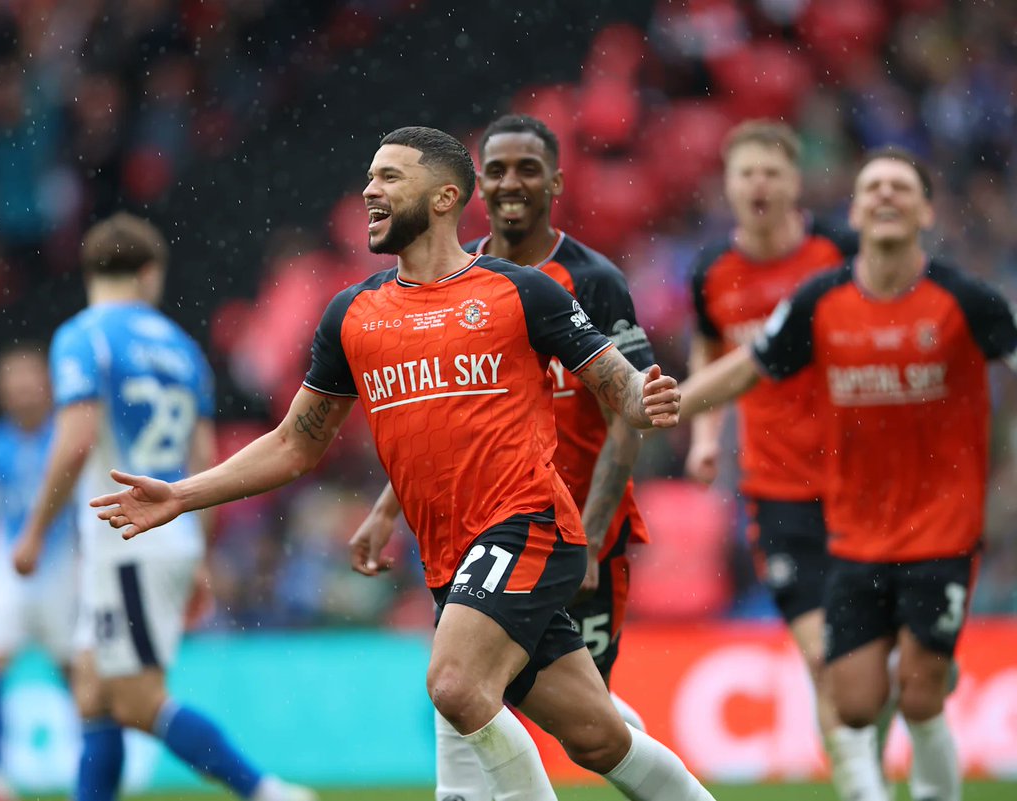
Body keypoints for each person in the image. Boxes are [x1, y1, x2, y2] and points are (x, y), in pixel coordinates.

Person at [91, 127, 712, 801]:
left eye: (389, 177)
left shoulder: (520, 292)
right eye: (369, 177)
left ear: (446, 196)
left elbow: (616, 381)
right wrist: (184, 494)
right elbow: (295, 442)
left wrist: (646, 397)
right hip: (448, 554)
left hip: (526, 526)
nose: (369, 189)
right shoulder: (352, 314)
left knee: (453, 685)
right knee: (599, 737)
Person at [679, 146, 1017, 801]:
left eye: (901, 186)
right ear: (856, 211)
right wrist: (671, 402)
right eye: (873, 187)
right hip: (853, 527)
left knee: (919, 697)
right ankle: (904, 696)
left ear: (925, 209)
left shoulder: (965, 297)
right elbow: (748, 364)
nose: (886, 195)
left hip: (942, 524)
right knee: (857, 701)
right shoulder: (821, 300)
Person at [350, 114, 650, 801]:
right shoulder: (458, 279)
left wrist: (596, 527)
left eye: (528, 168)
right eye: (499, 170)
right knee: (477, 693)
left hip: (562, 526)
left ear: (557, 181)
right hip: (472, 524)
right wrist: (386, 508)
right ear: (474, 185)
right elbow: (442, 412)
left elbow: (627, 410)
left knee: (587, 720)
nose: (512, 183)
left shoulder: (590, 280)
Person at [10, 213, 315, 801]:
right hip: (165, 532)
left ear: (90, 270)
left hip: (125, 537)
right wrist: (198, 551)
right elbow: (204, 460)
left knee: (136, 700)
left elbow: (75, 441)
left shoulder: (84, 336)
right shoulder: (181, 348)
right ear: (150, 274)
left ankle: (266, 791)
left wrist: (33, 531)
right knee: (93, 695)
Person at [685, 120, 867, 791]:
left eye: (771, 172)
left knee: (874, 657)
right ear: (729, 186)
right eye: (746, 173)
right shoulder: (712, 271)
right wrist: (706, 439)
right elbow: (709, 353)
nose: (759, 184)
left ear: (795, 182)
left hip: (863, 478)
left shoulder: (840, 253)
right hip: (778, 484)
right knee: (824, 658)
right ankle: (860, 785)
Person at [0, 344, 78, 801]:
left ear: (46, 386)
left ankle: (84, 768)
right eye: (12, 383)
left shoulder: (69, 436)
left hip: (61, 562)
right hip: (8, 561)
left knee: (72, 667)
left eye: (28, 381)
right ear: (1, 393)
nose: (22, 391)